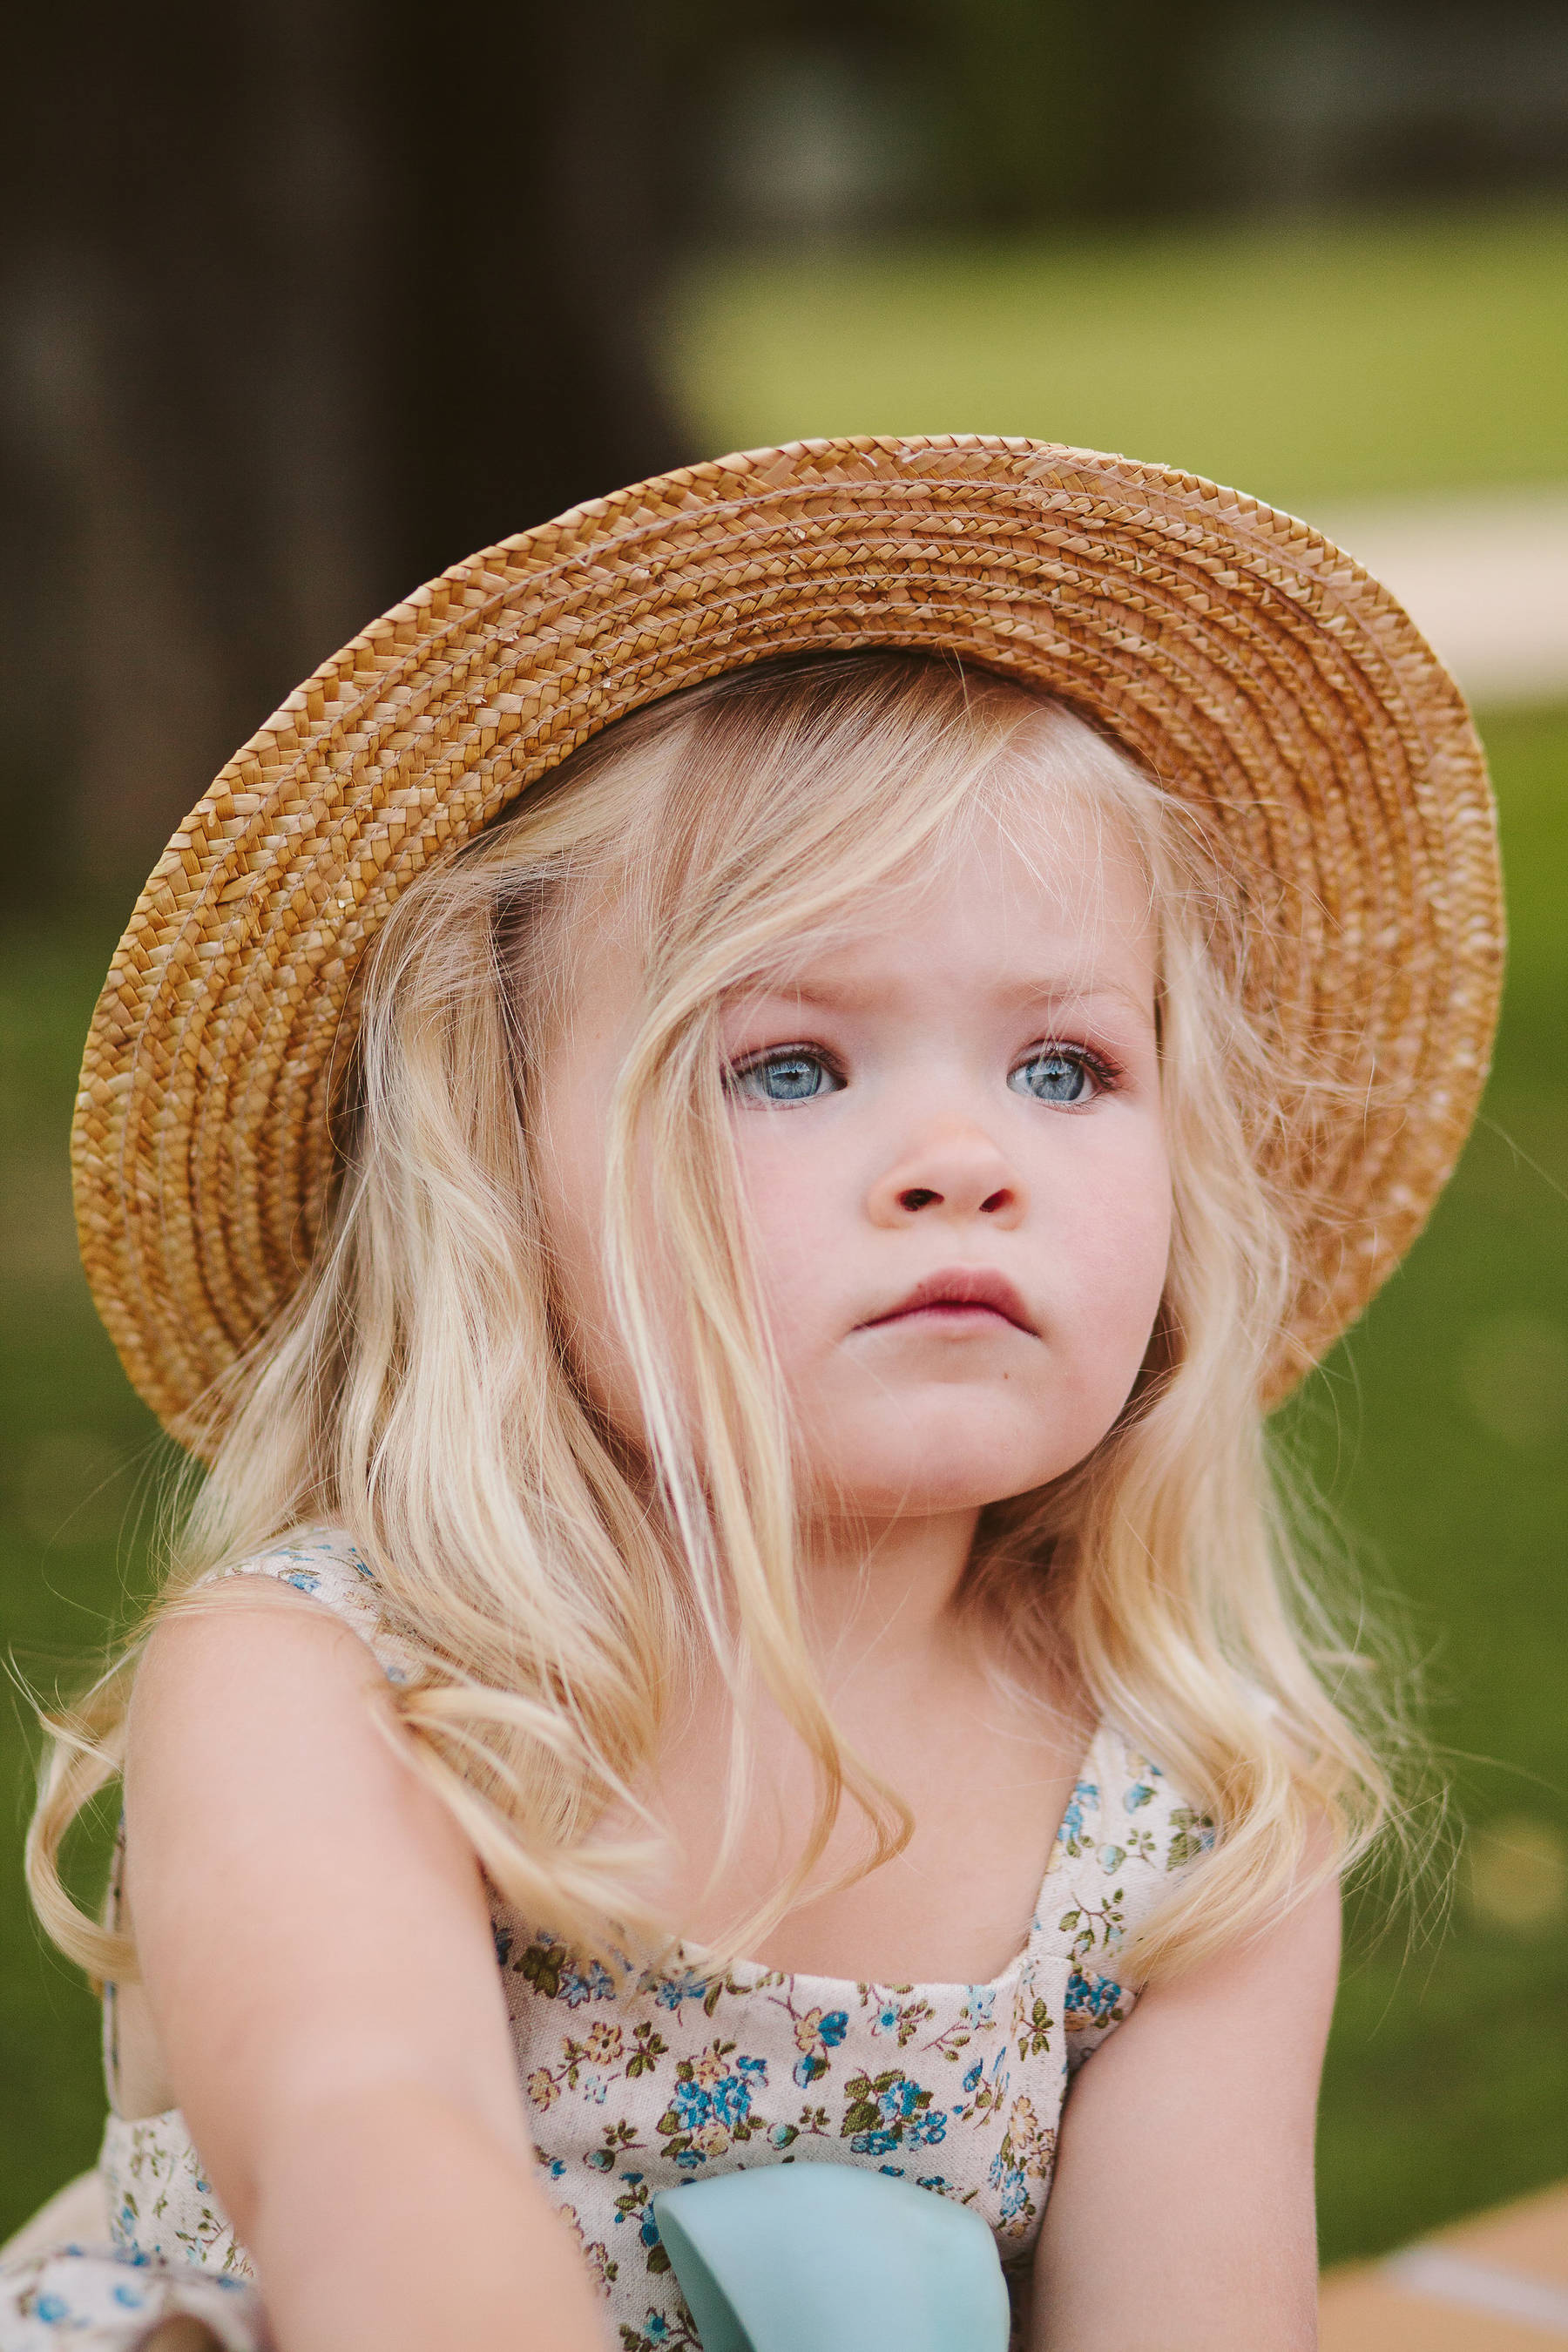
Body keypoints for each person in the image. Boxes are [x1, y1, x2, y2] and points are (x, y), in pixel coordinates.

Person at [2, 437, 1503, 2352]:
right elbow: (377, 2162)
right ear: (497, 1178)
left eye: (1063, 1069)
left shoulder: (1193, 1827)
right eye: (791, 1068)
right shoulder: (334, 1688)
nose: (966, 1158)